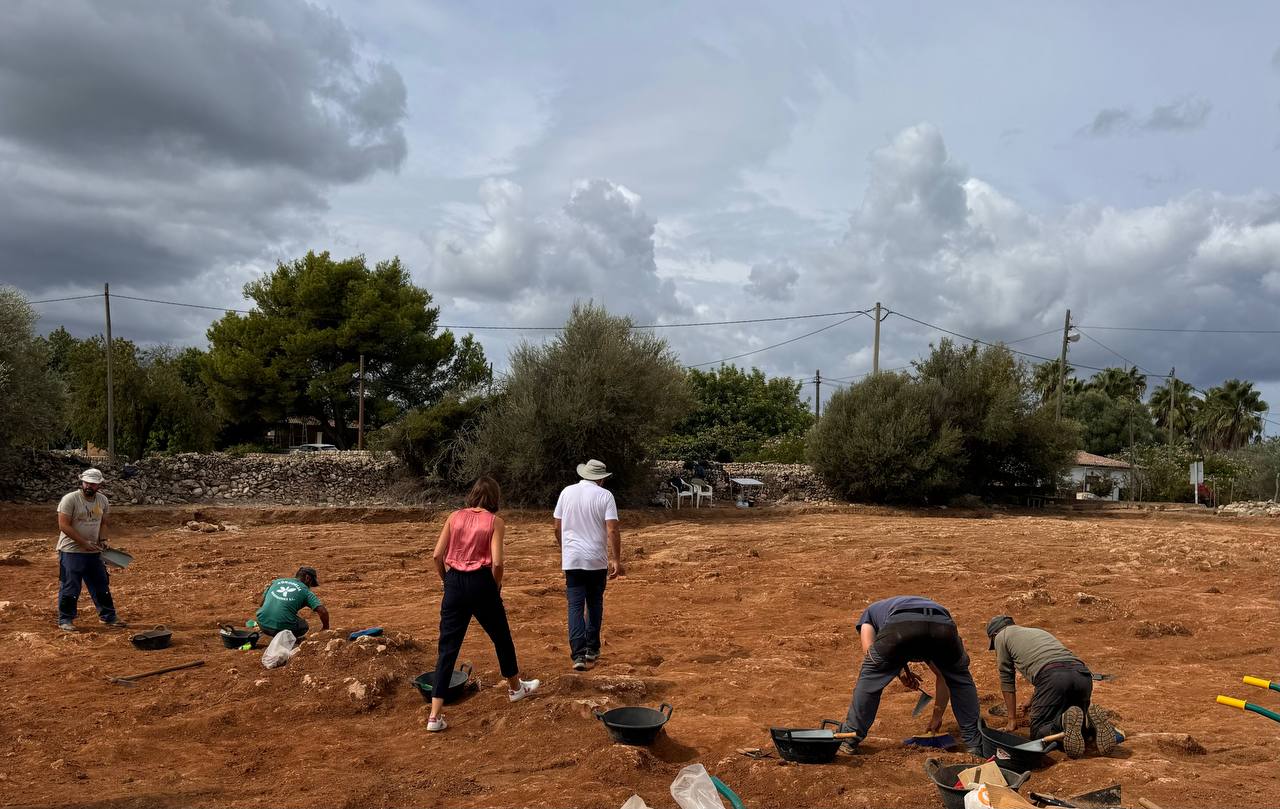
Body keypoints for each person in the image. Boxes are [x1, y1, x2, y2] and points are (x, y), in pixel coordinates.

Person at [427, 477, 540, 732]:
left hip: (454, 582)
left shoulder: (453, 517)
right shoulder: (495, 522)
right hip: (481, 581)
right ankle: (514, 688)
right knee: (501, 636)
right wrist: (495, 587)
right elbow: (498, 563)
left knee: (447, 648)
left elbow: (437, 555)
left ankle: (434, 716)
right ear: (494, 498)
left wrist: (448, 581)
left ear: (473, 494)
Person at [841, 596, 982, 756]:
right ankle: (974, 744)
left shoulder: (869, 615)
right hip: (942, 623)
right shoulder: (905, 606)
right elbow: (942, 676)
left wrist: (895, 669)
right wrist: (901, 672)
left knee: (871, 676)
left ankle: (849, 739)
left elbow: (871, 655)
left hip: (902, 625)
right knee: (959, 678)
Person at [985, 615, 1117, 758]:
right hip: (1082, 675)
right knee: (1075, 723)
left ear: (994, 635)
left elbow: (1007, 678)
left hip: (1054, 679)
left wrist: (1011, 721)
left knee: (1039, 731)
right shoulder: (1037, 632)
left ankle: (1061, 725)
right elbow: (1053, 662)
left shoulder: (1001, 637)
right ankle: (1090, 726)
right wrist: (1031, 701)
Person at [553, 458, 624, 671]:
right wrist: (617, 559)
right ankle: (592, 649)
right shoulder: (605, 496)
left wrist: (566, 549)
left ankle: (578, 655)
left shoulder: (566, 492)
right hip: (596, 560)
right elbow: (612, 529)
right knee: (594, 604)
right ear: (601, 479)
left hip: (573, 560)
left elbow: (557, 526)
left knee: (575, 606)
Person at [56, 468, 126, 631]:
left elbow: (103, 523)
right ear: (82, 482)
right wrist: (83, 543)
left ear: (99, 485)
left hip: (94, 551)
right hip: (71, 551)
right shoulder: (70, 499)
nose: (90, 486)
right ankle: (65, 619)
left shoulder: (102, 500)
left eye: (94, 484)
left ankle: (108, 617)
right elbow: (63, 525)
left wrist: (102, 540)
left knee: (101, 584)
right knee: (70, 586)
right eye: (87, 483)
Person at [256, 566, 329, 638]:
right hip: (280, 630)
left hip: (261, 623)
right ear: (308, 578)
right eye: (311, 584)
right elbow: (323, 611)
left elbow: (261, 603)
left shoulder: (276, 582)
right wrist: (326, 629)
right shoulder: (305, 591)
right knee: (304, 626)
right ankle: (288, 639)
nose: (310, 587)